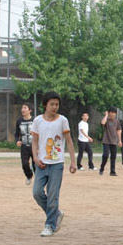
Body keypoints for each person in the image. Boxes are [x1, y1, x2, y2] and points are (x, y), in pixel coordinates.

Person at [31, 91, 76, 237]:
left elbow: (69, 141)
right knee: (37, 192)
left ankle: (50, 225)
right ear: (45, 105)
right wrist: (35, 158)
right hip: (41, 163)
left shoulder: (62, 120)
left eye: (57, 104)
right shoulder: (38, 121)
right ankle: (56, 214)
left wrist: (73, 162)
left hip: (57, 163)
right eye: (52, 104)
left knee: (53, 195)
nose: (55, 107)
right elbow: (34, 141)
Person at [15, 103, 35, 185]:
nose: (22, 110)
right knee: (25, 164)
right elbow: (16, 134)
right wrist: (17, 140)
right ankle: (29, 175)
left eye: (25, 108)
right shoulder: (19, 121)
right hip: (24, 147)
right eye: (22, 108)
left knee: (36, 165)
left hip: (34, 146)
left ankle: (38, 181)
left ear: (29, 110)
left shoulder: (35, 120)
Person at [99, 107, 122, 176]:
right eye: (111, 112)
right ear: (109, 113)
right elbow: (102, 123)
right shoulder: (107, 120)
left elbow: (119, 130)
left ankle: (112, 171)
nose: (113, 114)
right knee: (106, 155)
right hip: (106, 141)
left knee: (113, 156)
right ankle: (102, 168)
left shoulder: (117, 121)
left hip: (114, 141)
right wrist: (106, 115)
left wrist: (120, 140)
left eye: (114, 113)